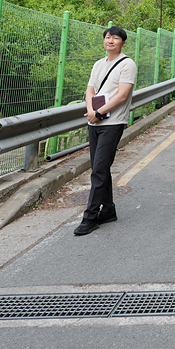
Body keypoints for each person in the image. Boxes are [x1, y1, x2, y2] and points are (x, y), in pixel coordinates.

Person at [74, 26, 137, 237]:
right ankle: (108, 210)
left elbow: (122, 95)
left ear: (123, 42)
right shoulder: (98, 64)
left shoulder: (127, 64)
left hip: (113, 122)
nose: (110, 41)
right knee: (100, 168)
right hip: (95, 121)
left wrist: (99, 112)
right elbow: (90, 89)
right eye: (108, 37)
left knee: (98, 170)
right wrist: (91, 111)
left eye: (115, 38)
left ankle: (90, 217)